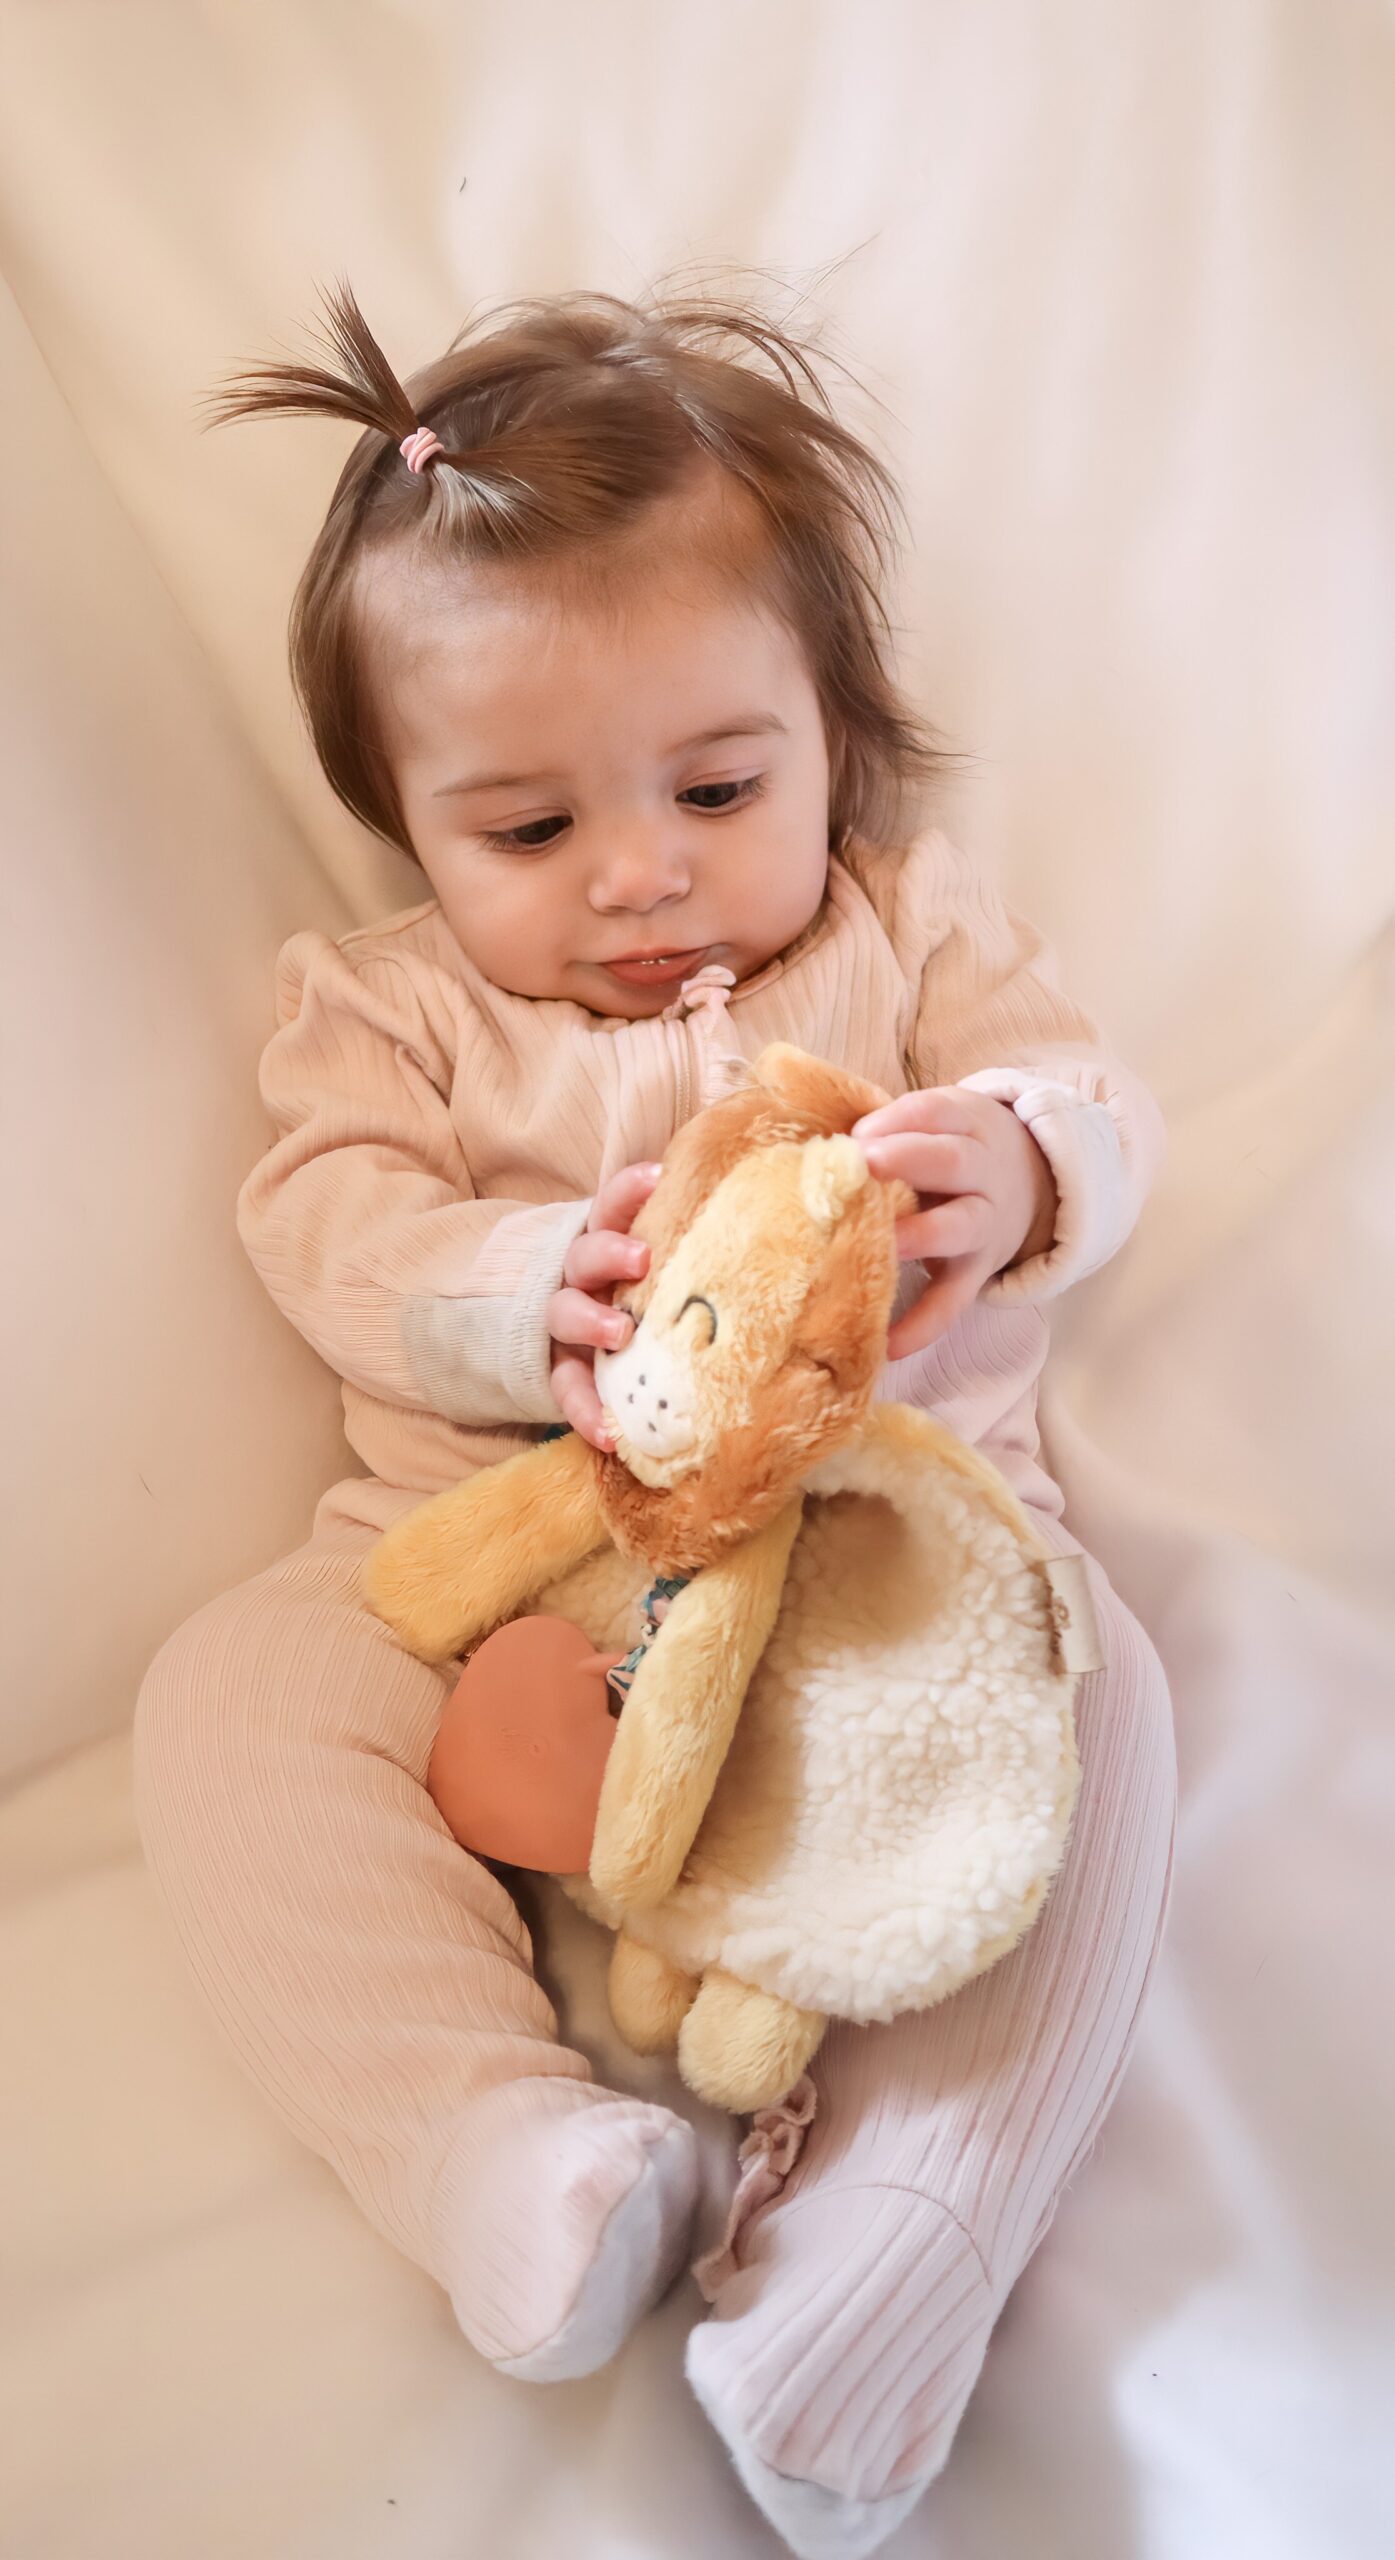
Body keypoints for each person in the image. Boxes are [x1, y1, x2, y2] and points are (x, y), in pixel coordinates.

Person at [135, 283, 1176, 2560]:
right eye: (522, 820)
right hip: (477, 1577)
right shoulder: (388, 1011)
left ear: (833, 736)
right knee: (226, 1696)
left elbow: (1097, 1096)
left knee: (1110, 1706)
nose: (636, 870)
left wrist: (1014, 1159)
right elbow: (320, 1221)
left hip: (881, 1603)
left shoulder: (903, 933)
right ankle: (496, 2150)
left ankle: (901, 2240)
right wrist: (524, 1291)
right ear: (403, 814)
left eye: (717, 786)